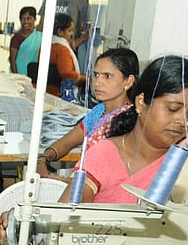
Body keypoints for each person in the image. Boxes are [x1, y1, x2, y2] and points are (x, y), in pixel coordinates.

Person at [0, 55, 188, 245]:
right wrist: (19, 223)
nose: (183, 122)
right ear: (142, 102)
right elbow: (59, 228)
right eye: (173, 109)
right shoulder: (103, 154)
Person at [37, 47, 140, 179]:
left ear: (129, 81)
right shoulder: (99, 111)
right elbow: (67, 143)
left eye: (107, 76)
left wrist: (51, 178)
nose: (98, 82)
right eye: (96, 75)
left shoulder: (129, 121)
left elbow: (105, 180)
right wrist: (44, 158)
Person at [45, 13, 86, 97]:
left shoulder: (47, 44)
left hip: (47, 91)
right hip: (60, 94)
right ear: (60, 32)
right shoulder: (62, 49)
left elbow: (72, 44)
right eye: (69, 31)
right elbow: (68, 75)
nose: (71, 34)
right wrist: (86, 79)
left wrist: (84, 38)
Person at [8, 6, 37, 73]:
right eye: (23, 18)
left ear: (34, 19)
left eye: (29, 18)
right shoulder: (16, 38)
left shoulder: (39, 37)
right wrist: (17, 77)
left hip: (35, 75)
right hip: (19, 76)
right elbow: (12, 60)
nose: (25, 21)